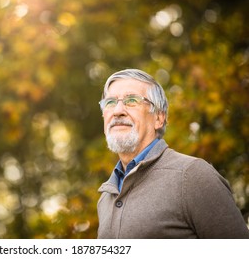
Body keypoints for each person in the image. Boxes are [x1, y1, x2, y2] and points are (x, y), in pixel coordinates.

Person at [97, 68, 249, 238]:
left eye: (131, 100)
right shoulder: (105, 197)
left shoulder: (192, 176)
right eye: (110, 102)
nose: (118, 111)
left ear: (158, 118)